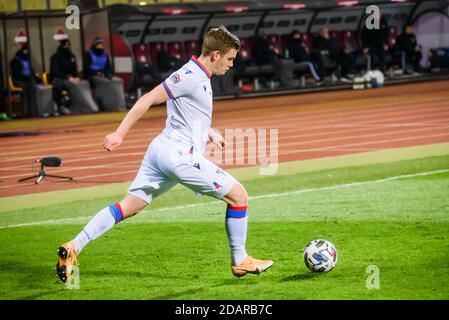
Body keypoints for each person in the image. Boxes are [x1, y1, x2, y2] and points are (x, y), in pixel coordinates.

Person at [55, 25, 273, 283]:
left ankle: (73, 247)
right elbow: (147, 98)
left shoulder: (200, 76)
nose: (231, 65)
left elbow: (188, 113)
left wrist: (208, 131)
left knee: (128, 207)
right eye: (229, 59)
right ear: (215, 55)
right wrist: (119, 134)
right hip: (178, 156)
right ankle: (240, 260)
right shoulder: (190, 76)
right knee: (239, 196)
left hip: (161, 150)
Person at [50, 39, 99, 115]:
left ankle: (89, 106)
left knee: (84, 83)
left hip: (72, 79)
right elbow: (55, 71)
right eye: (65, 45)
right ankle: (84, 108)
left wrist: (75, 77)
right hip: (59, 79)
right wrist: (68, 77)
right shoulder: (55, 57)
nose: (67, 47)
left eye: (68, 45)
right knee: (75, 85)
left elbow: (74, 70)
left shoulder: (72, 56)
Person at [84, 37, 126, 111]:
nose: (100, 47)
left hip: (104, 75)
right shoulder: (88, 54)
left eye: (102, 45)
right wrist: (97, 73)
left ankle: (120, 104)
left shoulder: (105, 55)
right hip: (92, 75)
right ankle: (107, 104)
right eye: (98, 45)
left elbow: (108, 67)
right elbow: (87, 68)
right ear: (94, 45)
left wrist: (107, 74)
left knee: (118, 81)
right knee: (105, 82)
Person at [9, 44, 41, 117]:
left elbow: (32, 72)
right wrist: (26, 77)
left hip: (28, 79)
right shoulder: (15, 60)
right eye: (26, 51)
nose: (27, 52)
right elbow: (16, 74)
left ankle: (34, 114)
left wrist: (35, 78)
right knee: (25, 93)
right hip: (19, 80)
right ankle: (26, 114)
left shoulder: (28, 60)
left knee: (33, 91)